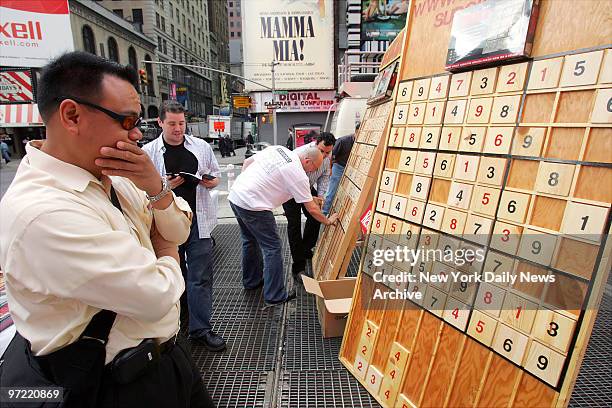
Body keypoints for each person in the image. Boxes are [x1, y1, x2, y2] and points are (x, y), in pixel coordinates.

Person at [0, 52, 214, 407]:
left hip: (166, 359)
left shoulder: (116, 173)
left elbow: (176, 229)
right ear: (72, 115)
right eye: (126, 120)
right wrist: (166, 251)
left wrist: (155, 188)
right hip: (112, 384)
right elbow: (156, 296)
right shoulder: (42, 213)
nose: (135, 134)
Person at [143, 100, 226, 352]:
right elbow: (141, 193)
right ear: (160, 123)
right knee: (173, 273)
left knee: (200, 276)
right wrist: (167, 186)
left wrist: (211, 182)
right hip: (166, 224)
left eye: (181, 123)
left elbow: (215, 173)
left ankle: (200, 329)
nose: (178, 129)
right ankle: (177, 323)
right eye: (172, 124)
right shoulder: (148, 152)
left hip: (198, 220)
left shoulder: (200, 147)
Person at [228, 145, 339, 305]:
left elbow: (247, 162)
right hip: (255, 206)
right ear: (307, 161)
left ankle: (251, 282)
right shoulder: (299, 175)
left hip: (237, 195)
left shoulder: (280, 150)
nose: (311, 172)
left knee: (250, 241)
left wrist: (250, 186)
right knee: (272, 247)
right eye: (313, 168)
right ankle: (274, 295)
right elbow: (313, 210)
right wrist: (328, 221)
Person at [283, 132, 336, 278]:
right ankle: (298, 268)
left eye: (327, 152)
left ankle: (306, 248)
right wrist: (314, 206)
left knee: (315, 217)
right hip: (291, 189)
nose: (324, 155)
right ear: (315, 144)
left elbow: (325, 176)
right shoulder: (300, 153)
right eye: (321, 151)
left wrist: (320, 196)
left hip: (307, 185)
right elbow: (297, 184)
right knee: (294, 225)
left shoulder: (327, 157)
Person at [322, 124, 358, 215]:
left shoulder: (361, 142)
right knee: (332, 191)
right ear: (356, 132)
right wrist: (330, 169)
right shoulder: (343, 141)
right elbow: (331, 155)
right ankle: (324, 212)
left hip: (351, 168)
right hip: (338, 166)